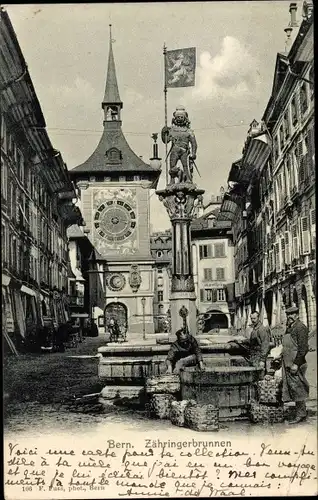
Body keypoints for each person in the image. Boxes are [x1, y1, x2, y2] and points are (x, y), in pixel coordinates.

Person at [282, 306, 309, 424]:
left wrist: (296, 364)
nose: (289, 317)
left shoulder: (300, 328)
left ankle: (301, 414)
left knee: (298, 388)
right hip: (289, 362)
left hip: (296, 363)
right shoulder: (290, 328)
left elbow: (303, 349)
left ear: (297, 315)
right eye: (288, 314)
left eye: (292, 314)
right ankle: (300, 412)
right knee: (293, 388)